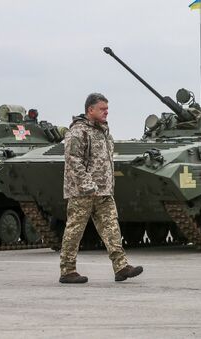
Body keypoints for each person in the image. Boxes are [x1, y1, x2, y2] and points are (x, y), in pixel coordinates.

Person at [59, 93, 143, 283]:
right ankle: (67, 270)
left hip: (103, 191)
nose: (106, 112)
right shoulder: (78, 132)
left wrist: (105, 186)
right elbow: (73, 162)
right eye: (102, 109)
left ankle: (121, 267)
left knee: (112, 227)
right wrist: (89, 186)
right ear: (90, 110)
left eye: (107, 108)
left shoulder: (103, 131)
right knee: (74, 230)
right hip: (82, 192)